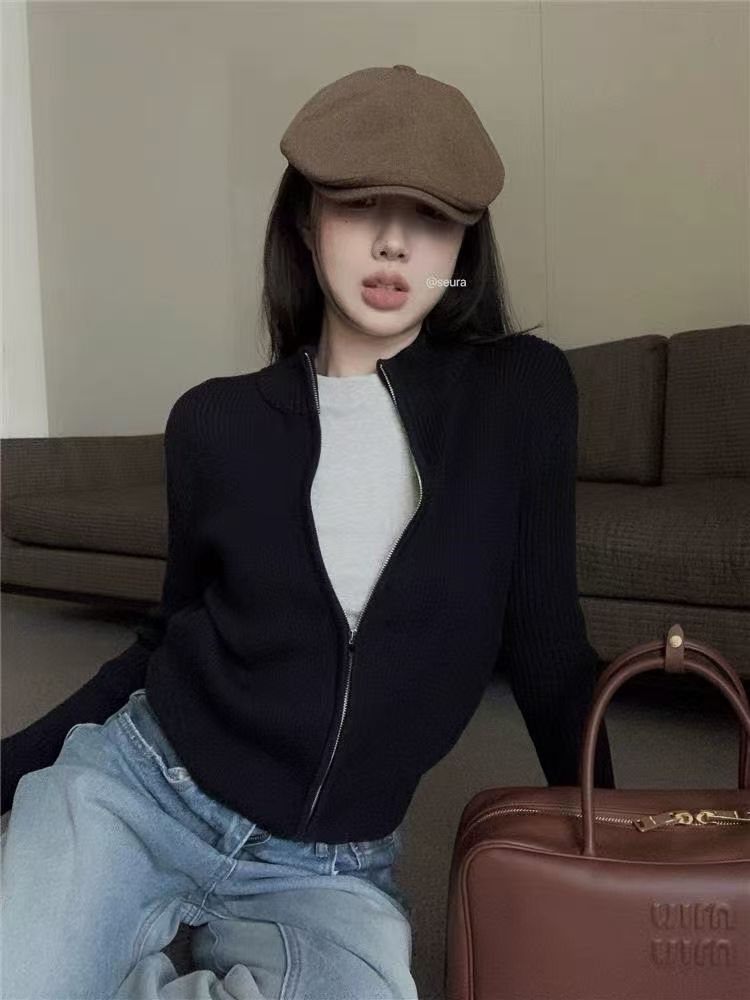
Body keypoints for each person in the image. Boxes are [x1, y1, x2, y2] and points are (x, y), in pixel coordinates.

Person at [0, 65, 615, 998]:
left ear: (464, 244)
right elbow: (165, 644)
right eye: (361, 203)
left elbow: (550, 651)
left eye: (431, 216)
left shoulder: (523, 395)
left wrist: (627, 838)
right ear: (305, 217)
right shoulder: (214, 422)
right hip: (140, 791)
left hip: (330, 868)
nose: (395, 241)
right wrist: (10, 768)